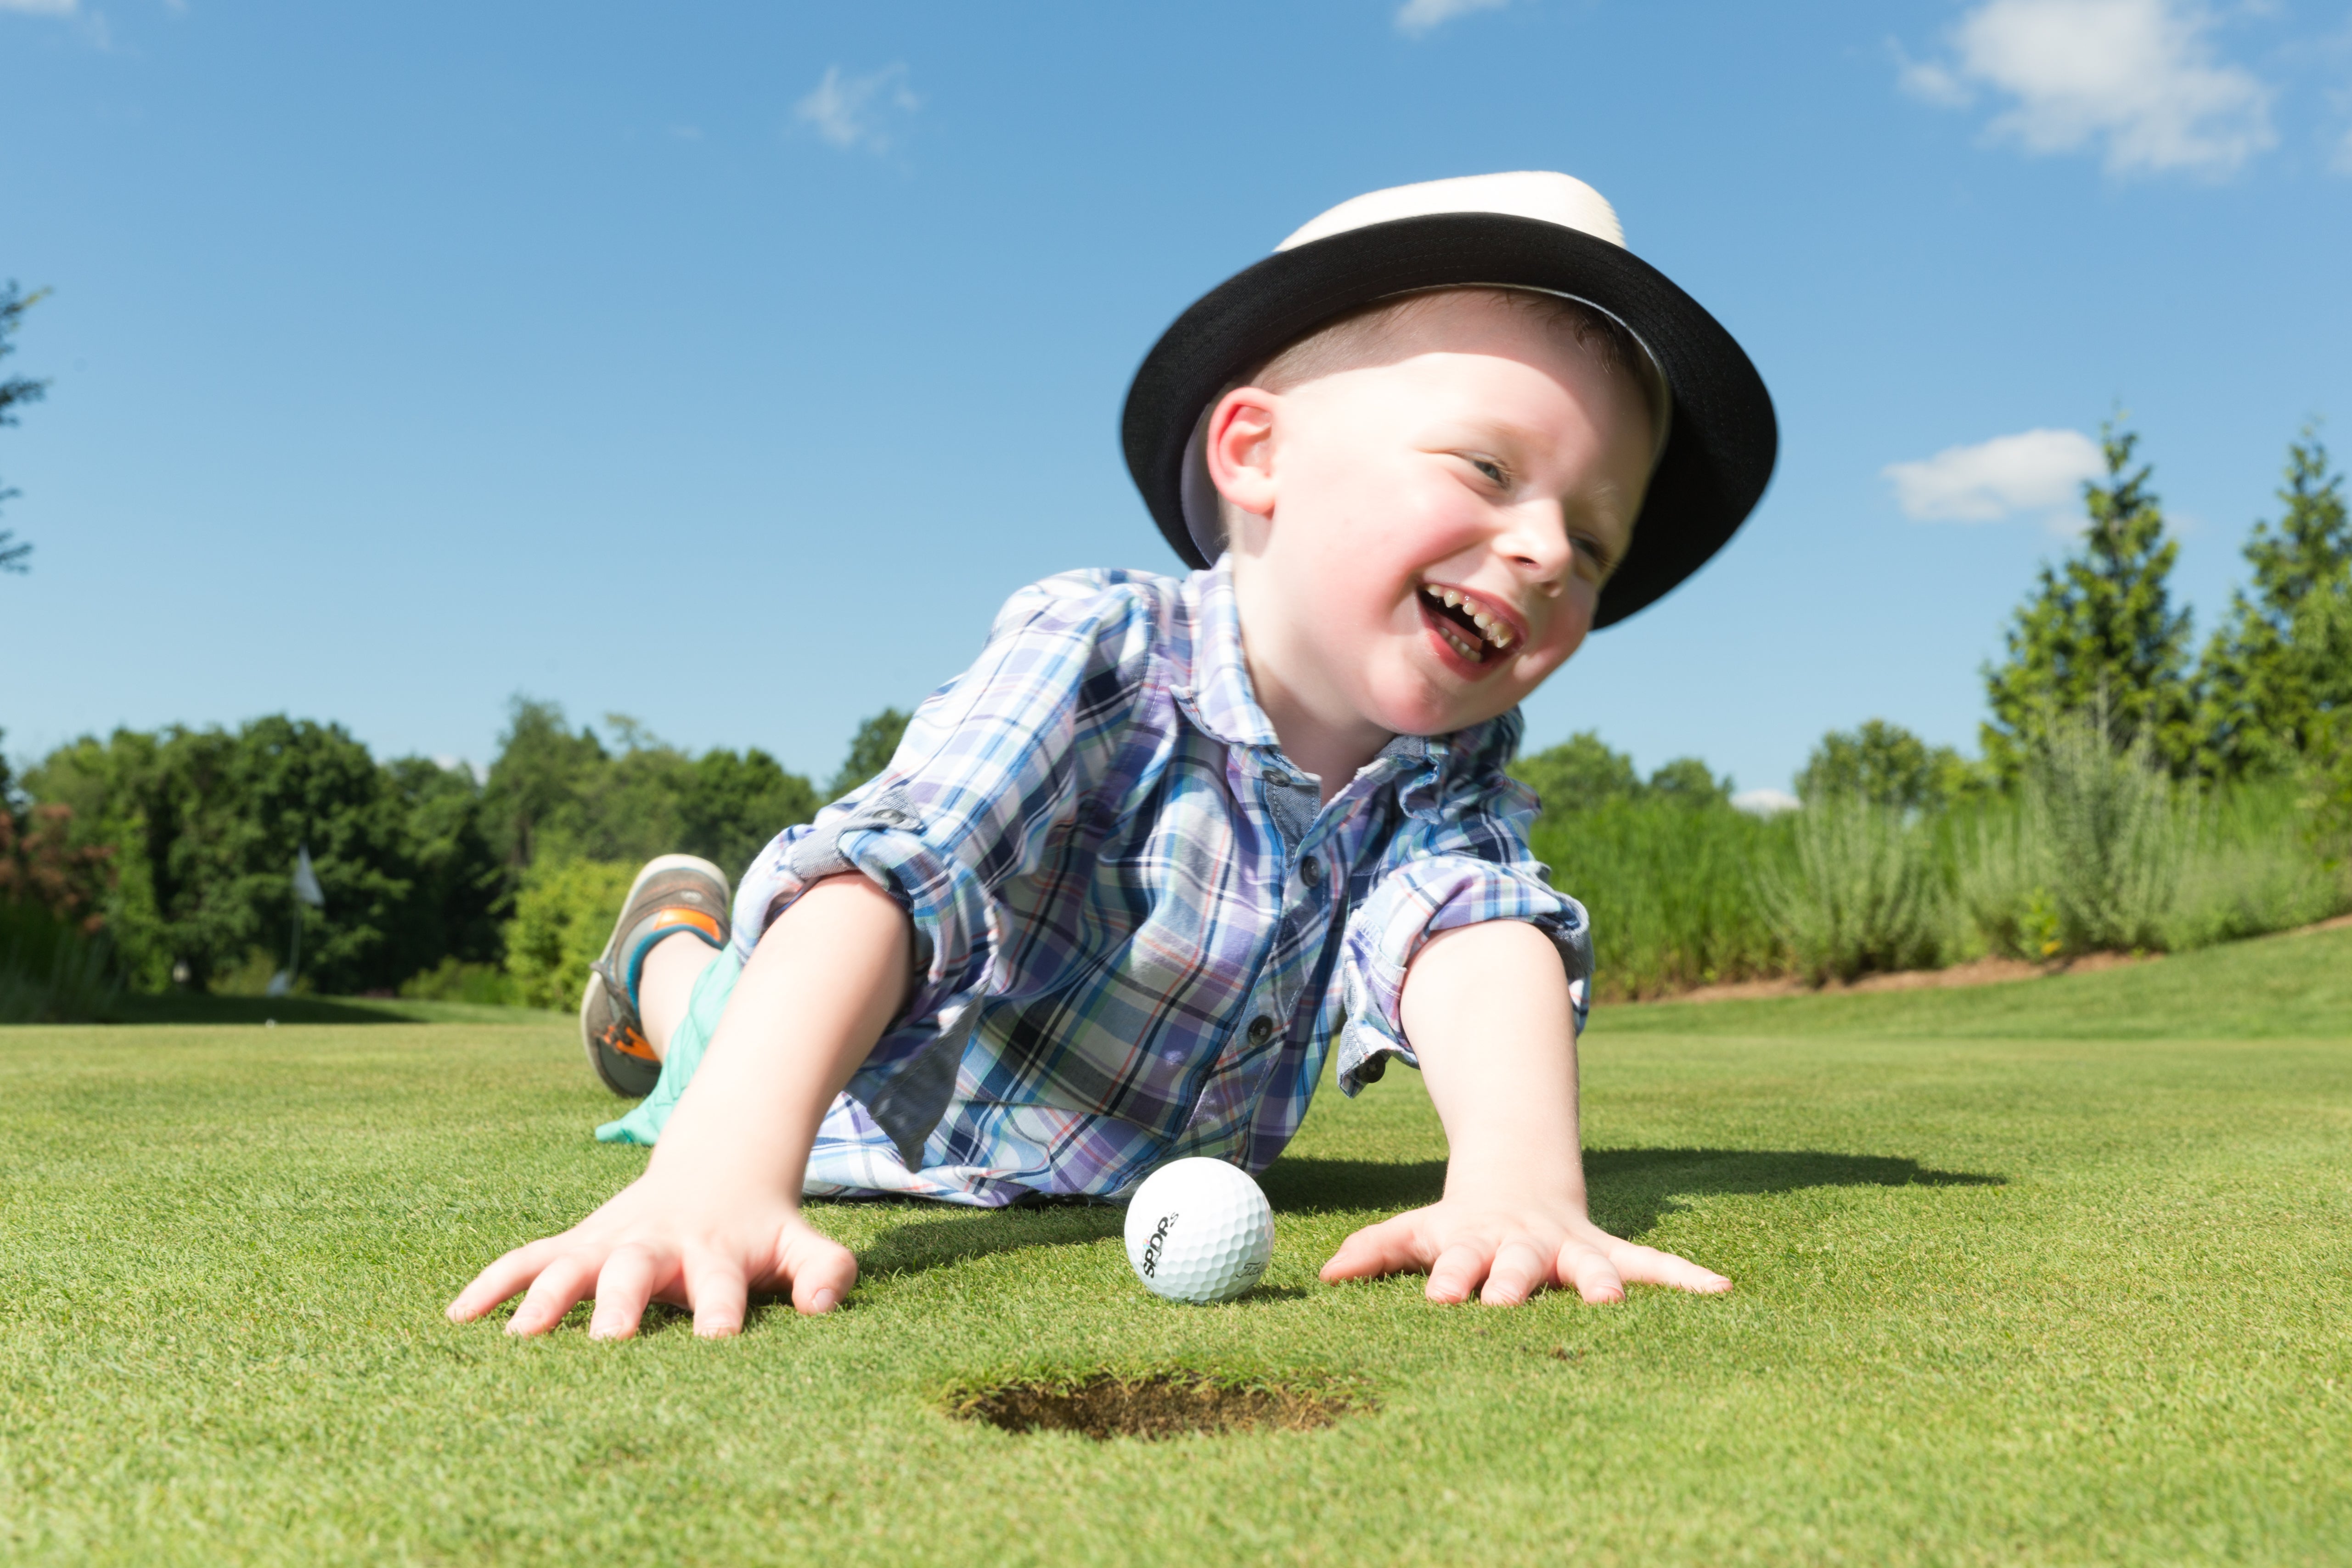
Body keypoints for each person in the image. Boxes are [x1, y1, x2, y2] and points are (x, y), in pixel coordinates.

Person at [448, 171, 1778, 1339]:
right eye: (1489, 469)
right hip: (854, 1086)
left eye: (1591, 541)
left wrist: (1517, 1186)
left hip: (1124, 1158)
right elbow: (893, 878)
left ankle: (678, 968)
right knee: (717, 1020)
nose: (1547, 549)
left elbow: (1474, 929)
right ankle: (660, 957)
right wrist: (716, 1175)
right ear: (1255, 453)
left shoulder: (1450, 767)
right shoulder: (1098, 650)